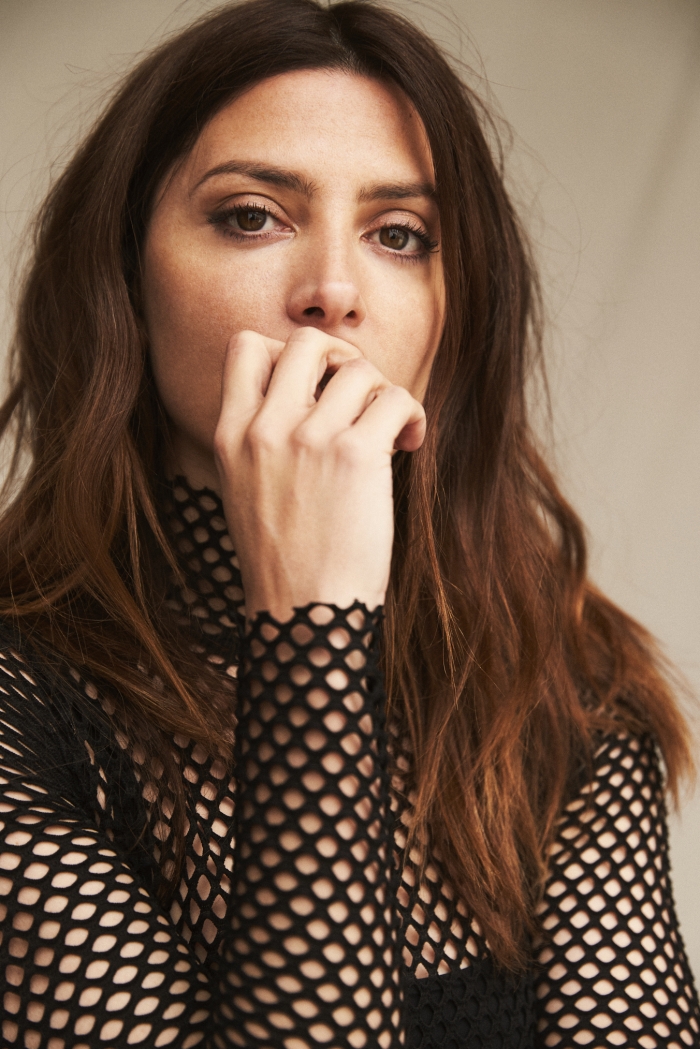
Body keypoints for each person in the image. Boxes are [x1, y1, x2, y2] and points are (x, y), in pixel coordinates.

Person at [0, 0, 697, 1046]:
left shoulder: (556, 682)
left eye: (398, 235)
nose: (332, 290)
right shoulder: (22, 709)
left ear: (453, 312)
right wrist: (314, 616)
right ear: (127, 274)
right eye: (251, 216)